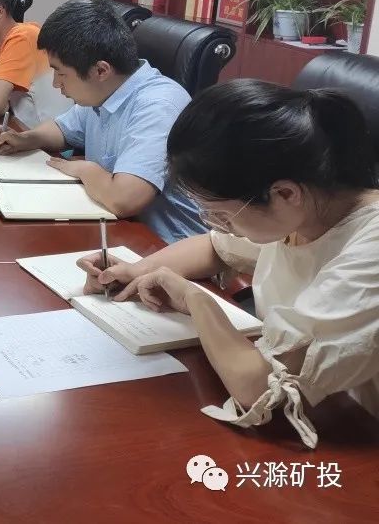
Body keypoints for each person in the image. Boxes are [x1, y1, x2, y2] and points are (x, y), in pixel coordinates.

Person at [79, 79, 379, 447]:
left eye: (221, 214)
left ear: (285, 193)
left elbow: (256, 385)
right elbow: (215, 247)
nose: (216, 224)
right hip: (332, 407)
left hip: (359, 433)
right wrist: (135, 271)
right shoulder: (311, 208)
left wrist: (197, 301)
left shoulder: (369, 248)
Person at [0, 0, 204, 243]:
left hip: (167, 245)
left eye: (60, 73)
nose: (56, 84)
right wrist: (25, 139)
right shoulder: (105, 91)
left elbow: (124, 199)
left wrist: (85, 169)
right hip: (118, 229)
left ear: (101, 70)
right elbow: (63, 129)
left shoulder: (158, 105)